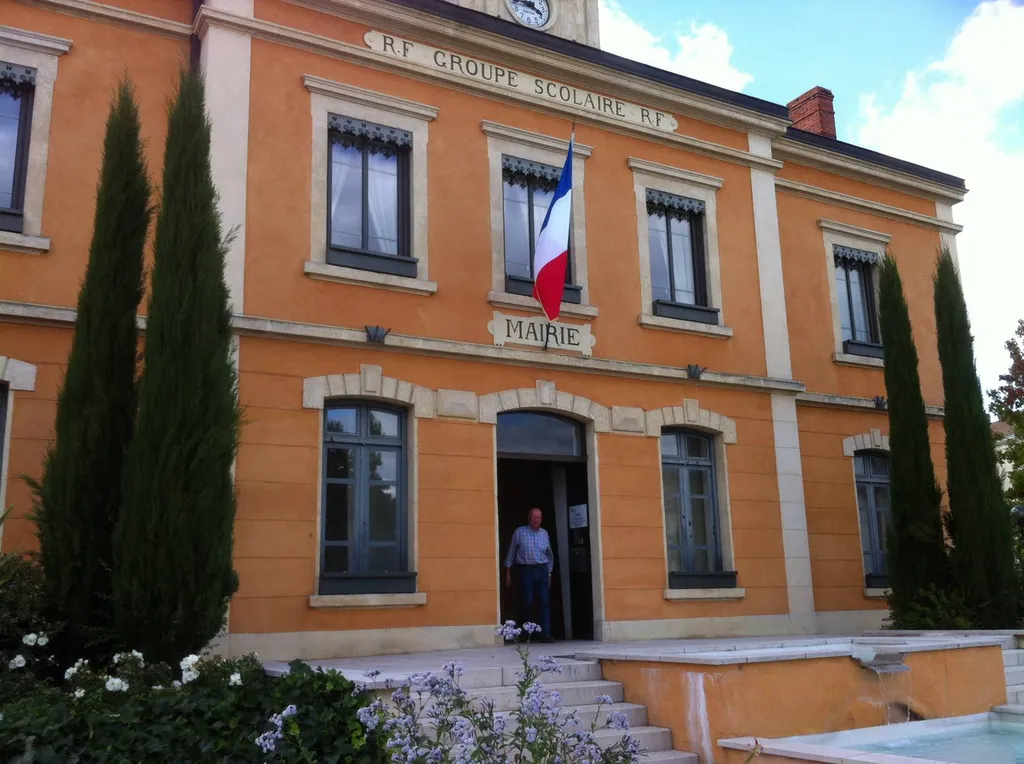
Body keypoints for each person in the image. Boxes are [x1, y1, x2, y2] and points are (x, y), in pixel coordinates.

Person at [504, 507, 555, 642]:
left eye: (538, 517)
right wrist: (508, 571)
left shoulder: (544, 533)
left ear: (541, 519)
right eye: (533, 517)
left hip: (542, 569)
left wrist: (549, 572)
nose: (535, 520)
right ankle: (525, 633)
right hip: (526, 570)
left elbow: (549, 554)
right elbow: (511, 551)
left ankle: (545, 633)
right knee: (528, 601)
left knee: (544, 602)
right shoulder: (520, 532)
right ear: (529, 518)